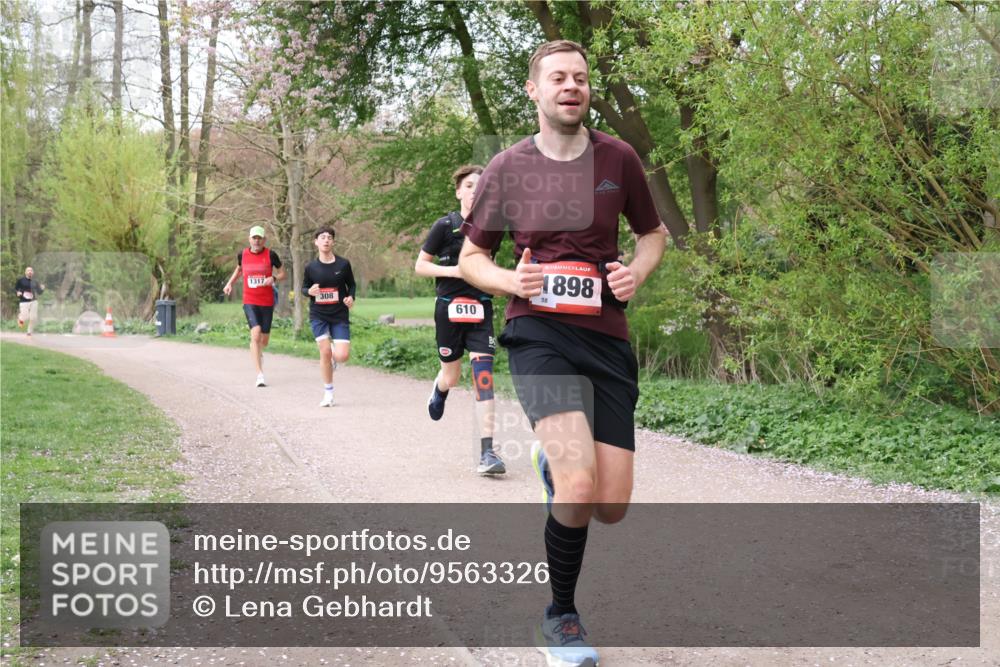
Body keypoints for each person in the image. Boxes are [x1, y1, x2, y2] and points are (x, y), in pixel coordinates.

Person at [459, 40, 667, 667]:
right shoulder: (508, 167)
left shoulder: (619, 159)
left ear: (587, 89)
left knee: (610, 507)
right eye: (557, 78)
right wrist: (510, 282)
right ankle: (562, 617)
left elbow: (652, 235)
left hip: (605, 338)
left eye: (579, 77)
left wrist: (636, 272)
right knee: (579, 483)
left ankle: (557, 469)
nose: (570, 86)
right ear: (535, 90)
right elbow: (472, 259)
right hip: (538, 335)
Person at [414, 165, 505, 476]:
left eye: (480, 186)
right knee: (451, 377)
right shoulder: (444, 226)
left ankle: (487, 452)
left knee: (484, 376)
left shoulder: (493, 229)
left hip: (481, 308)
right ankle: (440, 389)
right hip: (448, 308)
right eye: (468, 185)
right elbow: (421, 266)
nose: (474, 191)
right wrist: (455, 271)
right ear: (458, 192)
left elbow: (490, 266)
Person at [223, 226, 286, 387]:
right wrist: (229, 283)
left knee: (264, 340)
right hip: (249, 300)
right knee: (255, 334)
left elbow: (282, 273)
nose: (256, 241)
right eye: (254, 238)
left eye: (259, 238)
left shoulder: (271, 255)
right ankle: (259, 374)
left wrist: (274, 278)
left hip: (267, 301)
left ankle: (258, 353)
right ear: (249, 239)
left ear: (264, 240)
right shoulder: (242, 254)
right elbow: (239, 270)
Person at [302, 226, 355, 407]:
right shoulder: (310, 267)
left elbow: (352, 285)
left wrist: (351, 297)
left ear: (333, 242)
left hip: (339, 314)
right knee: (324, 352)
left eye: (329, 237)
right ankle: (328, 393)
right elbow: (304, 288)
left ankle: (333, 356)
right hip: (318, 315)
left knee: (342, 356)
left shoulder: (343, 264)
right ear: (316, 242)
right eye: (322, 237)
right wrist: (309, 291)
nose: (326, 240)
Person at [14, 266, 45, 336]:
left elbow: (39, 292)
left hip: (33, 301)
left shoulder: (35, 282)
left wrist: (42, 289)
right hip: (23, 301)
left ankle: (29, 332)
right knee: (25, 317)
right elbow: (16, 288)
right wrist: (17, 292)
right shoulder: (21, 280)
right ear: (25, 272)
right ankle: (20, 318)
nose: (30, 272)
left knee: (33, 318)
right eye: (28, 270)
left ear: (33, 273)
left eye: (31, 270)